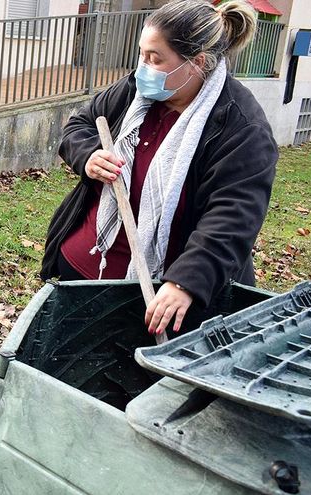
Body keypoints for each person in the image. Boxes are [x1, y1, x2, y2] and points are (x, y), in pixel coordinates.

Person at [40, 0, 277, 336]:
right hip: (81, 270)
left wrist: (185, 282)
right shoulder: (137, 90)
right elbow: (79, 124)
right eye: (142, 54)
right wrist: (89, 155)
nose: (142, 67)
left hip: (156, 296)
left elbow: (233, 215)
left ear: (197, 63)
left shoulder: (241, 128)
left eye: (155, 58)